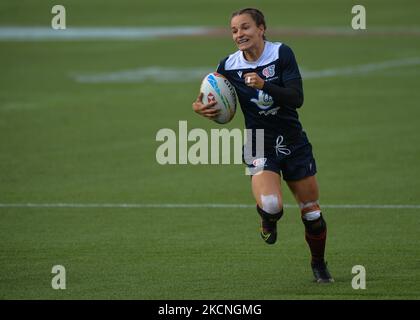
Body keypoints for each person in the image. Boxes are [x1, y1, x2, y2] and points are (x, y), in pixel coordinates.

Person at [192, 8, 333, 283]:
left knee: (312, 213)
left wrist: (264, 84)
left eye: (245, 28)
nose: (239, 35)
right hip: (258, 142)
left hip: (293, 141)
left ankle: (318, 264)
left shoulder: (282, 54)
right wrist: (199, 107)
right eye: (234, 30)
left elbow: (296, 98)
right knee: (270, 204)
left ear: (261, 28)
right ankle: (268, 220)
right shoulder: (228, 65)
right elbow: (205, 95)